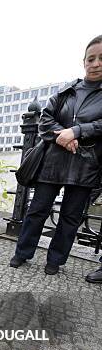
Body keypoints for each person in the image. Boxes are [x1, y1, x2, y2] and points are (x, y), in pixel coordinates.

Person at [10, 35, 102, 276]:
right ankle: (22, 252)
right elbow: (45, 120)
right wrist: (63, 134)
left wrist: (77, 131)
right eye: (91, 58)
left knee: (70, 217)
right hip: (54, 160)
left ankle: (55, 261)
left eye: (101, 58)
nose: (95, 63)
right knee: (38, 209)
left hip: (86, 163)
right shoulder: (67, 91)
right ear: (84, 61)